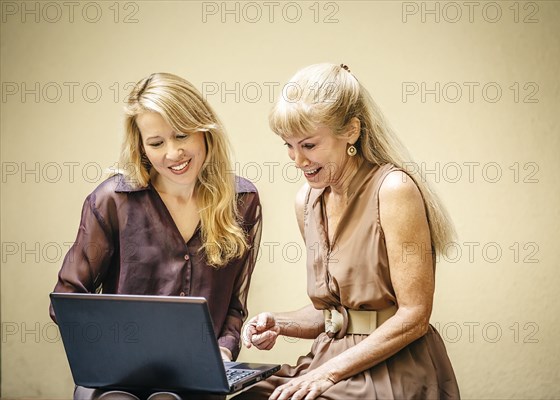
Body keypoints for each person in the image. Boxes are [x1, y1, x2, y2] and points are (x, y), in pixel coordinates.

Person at [236, 63, 460, 400]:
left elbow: (415, 316)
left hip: (392, 367)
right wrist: (280, 323)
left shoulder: (393, 189)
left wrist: (328, 374)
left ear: (351, 131)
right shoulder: (307, 201)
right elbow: (336, 314)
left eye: (309, 145)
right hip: (328, 363)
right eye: (288, 145)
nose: (297, 160)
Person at [50, 72, 262, 400]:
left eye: (182, 135)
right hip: (116, 378)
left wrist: (222, 352)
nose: (173, 153)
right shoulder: (112, 201)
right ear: (141, 147)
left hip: (198, 379)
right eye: (156, 143)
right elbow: (68, 298)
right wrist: (110, 349)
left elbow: (234, 305)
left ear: (205, 131)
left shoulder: (243, 201)